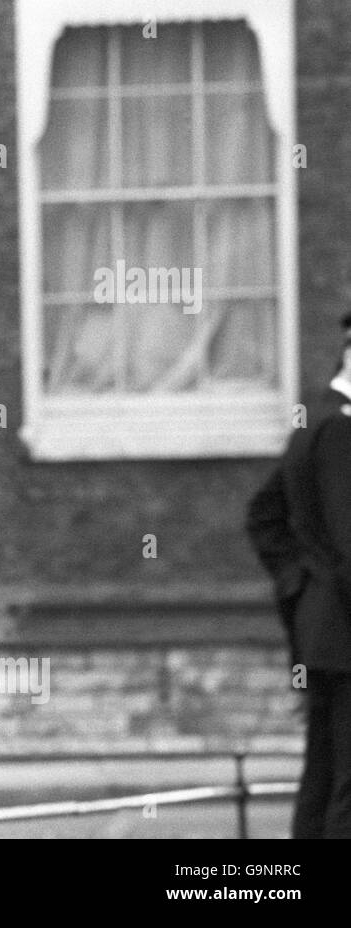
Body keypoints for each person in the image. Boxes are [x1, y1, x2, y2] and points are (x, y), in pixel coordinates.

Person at [245, 312, 351, 838]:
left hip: (323, 634)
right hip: (343, 637)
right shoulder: (340, 429)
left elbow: (265, 514)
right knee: (344, 788)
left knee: (324, 773)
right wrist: (313, 583)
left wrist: (302, 584)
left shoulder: (315, 418)